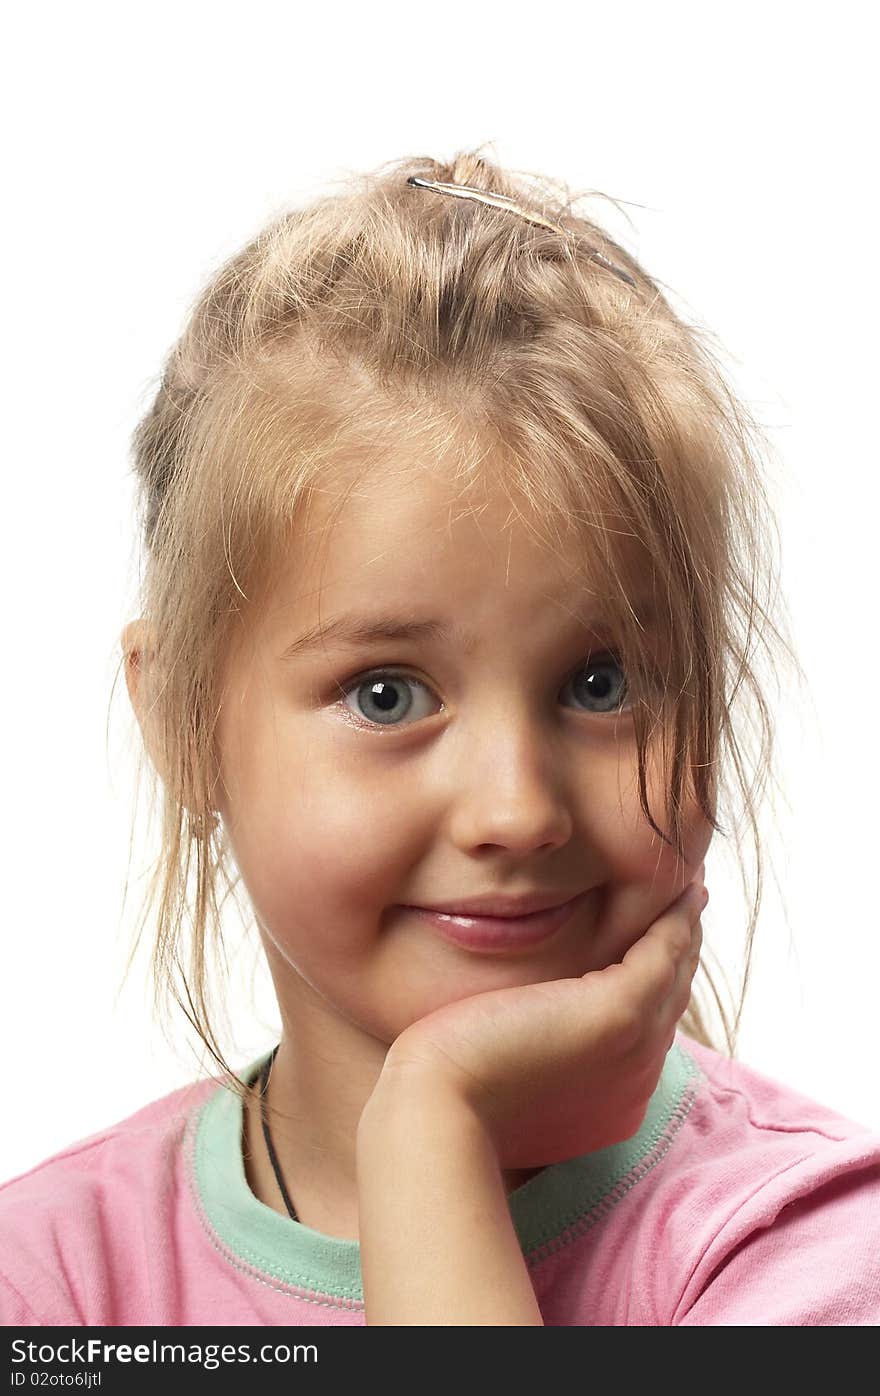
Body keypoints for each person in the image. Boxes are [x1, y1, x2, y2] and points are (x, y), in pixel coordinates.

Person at [2, 147, 878, 1329]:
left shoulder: (803, 1245)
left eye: (602, 680)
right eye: (385, 694)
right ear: (183, 723)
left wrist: (431, 1131)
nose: (516, 808)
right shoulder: (54, 1286)